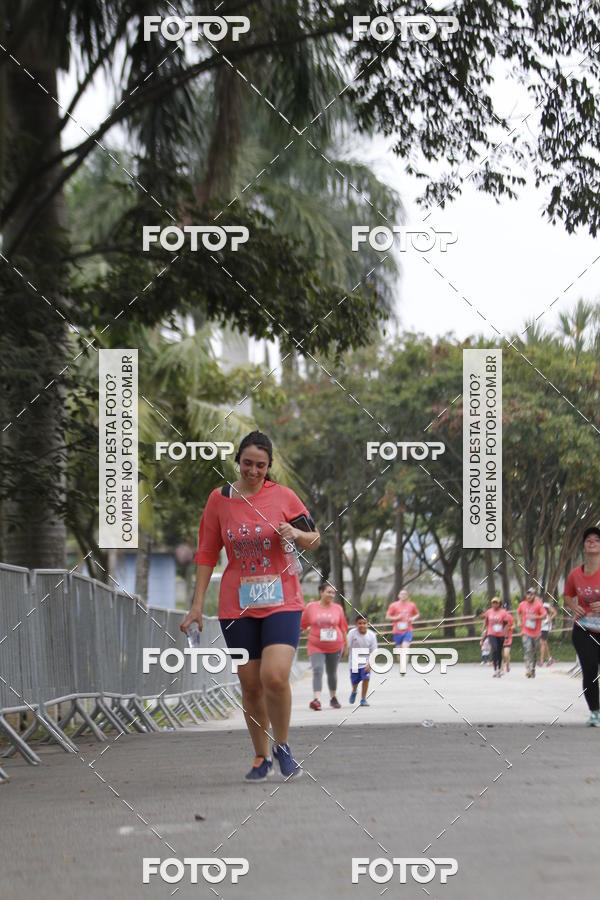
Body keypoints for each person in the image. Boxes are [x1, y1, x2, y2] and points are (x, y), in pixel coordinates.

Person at [180, 430, 320, 781]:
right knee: (250, 683)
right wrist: (196, 607)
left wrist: (297, 535)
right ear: (238, 461)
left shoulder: (284, 497)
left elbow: (315, 538)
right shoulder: (220, 500)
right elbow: (207, 554)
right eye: (247, 463)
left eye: (260, 465)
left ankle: (283, 746)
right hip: (236, 606)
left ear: (269, 466)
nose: (253, 471)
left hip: (282, 600)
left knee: (273, 676)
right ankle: (261, 756)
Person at [564, 526, 600, 727]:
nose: (592, 542)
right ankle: (595, 712)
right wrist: (574, 606)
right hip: (584, 630)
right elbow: (567, 595)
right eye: (588, 540)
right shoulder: (575, 574)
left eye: (596, 539)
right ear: (584, 546)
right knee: (590, 668)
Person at [301, 582, 348, 710]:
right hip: (316, 646)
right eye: (328, 592)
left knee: (332, 672)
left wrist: (346, 646)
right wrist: (305, 632)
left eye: (333, 593)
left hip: (336, 645)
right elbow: (303, 624)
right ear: (321, 592)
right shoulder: (311, 607)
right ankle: (316, 700)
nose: (331, 595)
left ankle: (333, 698)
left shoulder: (338, 608)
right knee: (317, 670)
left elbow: (343, 628)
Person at [385, 589, 419, 675]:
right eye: (402, 594)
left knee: (405, 648)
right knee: (399, 651)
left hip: (408, 630)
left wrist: (413, 618)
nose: (403, 596)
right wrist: (396, 618)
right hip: (397, 631)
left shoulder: (412, 605)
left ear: (407, 596)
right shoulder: (393, 605)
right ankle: (401, 665)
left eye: (405, 594)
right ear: (398, 596)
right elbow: (387, 617)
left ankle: (403, 668)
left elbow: (417, 614)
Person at [347, 613, 378, 707]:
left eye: (364, 623)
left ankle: (363, 699)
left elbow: (374, 651)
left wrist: (370, 664)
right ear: (356, 624)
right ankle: (354, 691)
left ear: (368, 624)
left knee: (366, 679)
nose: (362, 625)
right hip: (354, 661)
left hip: (366, 661)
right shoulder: (352, 633)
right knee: (355, 681)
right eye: (359, 623)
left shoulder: (371, 635)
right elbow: (347, 645)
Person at [517, 587, 546, 678]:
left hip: (536, 633)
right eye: (528, 594)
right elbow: (518, 612)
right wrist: (519, 620)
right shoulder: (522, 604)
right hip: (526, 631)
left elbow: (544, 615)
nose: (529, 596)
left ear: (534, 595)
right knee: (527, 649)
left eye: (531, 594)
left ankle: (533, 668)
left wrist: (535, 617)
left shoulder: (538, 605)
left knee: (534, 651)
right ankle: (528, 669)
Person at [480, 596, 510, 677]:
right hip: (491, 633)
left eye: (496, 603)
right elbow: (485, 622)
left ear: (499, 604)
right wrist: (483, 631)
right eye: (493, 603)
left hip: (501, 634)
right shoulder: (489, 612)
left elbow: (506, 625)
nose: (494, 604)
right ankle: (495, 669)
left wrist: (506, 636)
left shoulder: (503, 612)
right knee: (495, 649)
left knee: (499, 652)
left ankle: (499, 669)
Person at [538, 597, 557, 667]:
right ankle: (550, 659)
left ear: (541, 600)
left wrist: (549, 619)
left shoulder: (545, 605)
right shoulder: (535, 607)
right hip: (539, 627)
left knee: (542, 642)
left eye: (538, 600)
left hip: (545, 626)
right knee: (544, 643)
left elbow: (554, 612)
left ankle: (542, 660)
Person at [501, 606, 515, 673]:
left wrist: (510, 628)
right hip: (500, 637)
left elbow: (514, 625)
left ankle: (508, 664)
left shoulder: (509, 616)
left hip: (508, 638)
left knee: (506, 654)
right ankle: (501, 669)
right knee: (500, 654)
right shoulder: (498, 617)